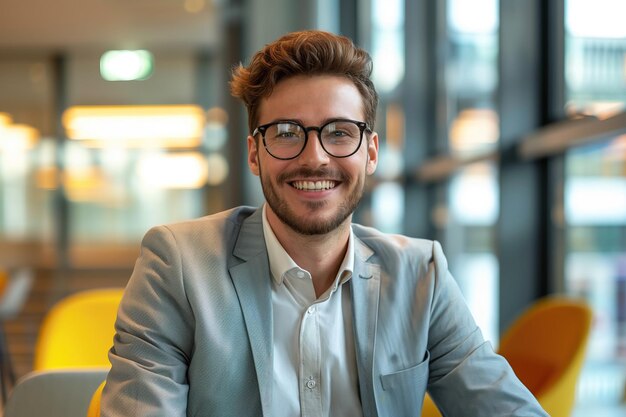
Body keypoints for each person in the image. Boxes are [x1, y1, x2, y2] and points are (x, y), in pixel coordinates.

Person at [102, 30, 548, 417]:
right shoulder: (179, 266)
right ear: (254, 154)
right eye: (286, 133)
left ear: (370, 152)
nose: (314, 157)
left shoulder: (419, 275)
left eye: (339, 132)